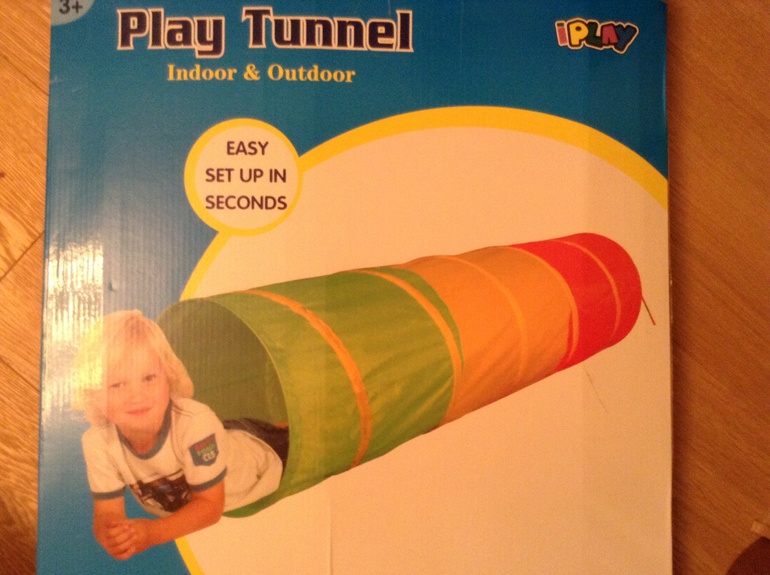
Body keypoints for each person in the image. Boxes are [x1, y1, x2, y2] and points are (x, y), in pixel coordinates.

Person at [75, 310, 287, 560]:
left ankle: (280, 427)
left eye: (148, 378)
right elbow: (107, 513)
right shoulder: (98, 443)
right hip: (214, 440)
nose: (136, 395)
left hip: (258, 457)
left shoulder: (195, 424)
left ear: (168, 378)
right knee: (217, 435)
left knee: (286, 437)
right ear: (95, 396)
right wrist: (114, 536)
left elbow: (210, 506)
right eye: (117, 385)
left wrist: (151, 533)